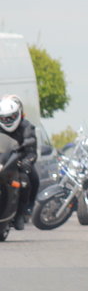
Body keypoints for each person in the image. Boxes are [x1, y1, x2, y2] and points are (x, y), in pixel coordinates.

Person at [0, 94, 38, 230]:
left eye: (11, 117)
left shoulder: (27, 127)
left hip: (20, 159)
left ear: (18, 114)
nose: (7, 121)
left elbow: (32, 150)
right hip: (2, 159)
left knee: (29, 179)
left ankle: (22, 212)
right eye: (4, 118)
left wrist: (28, 161)